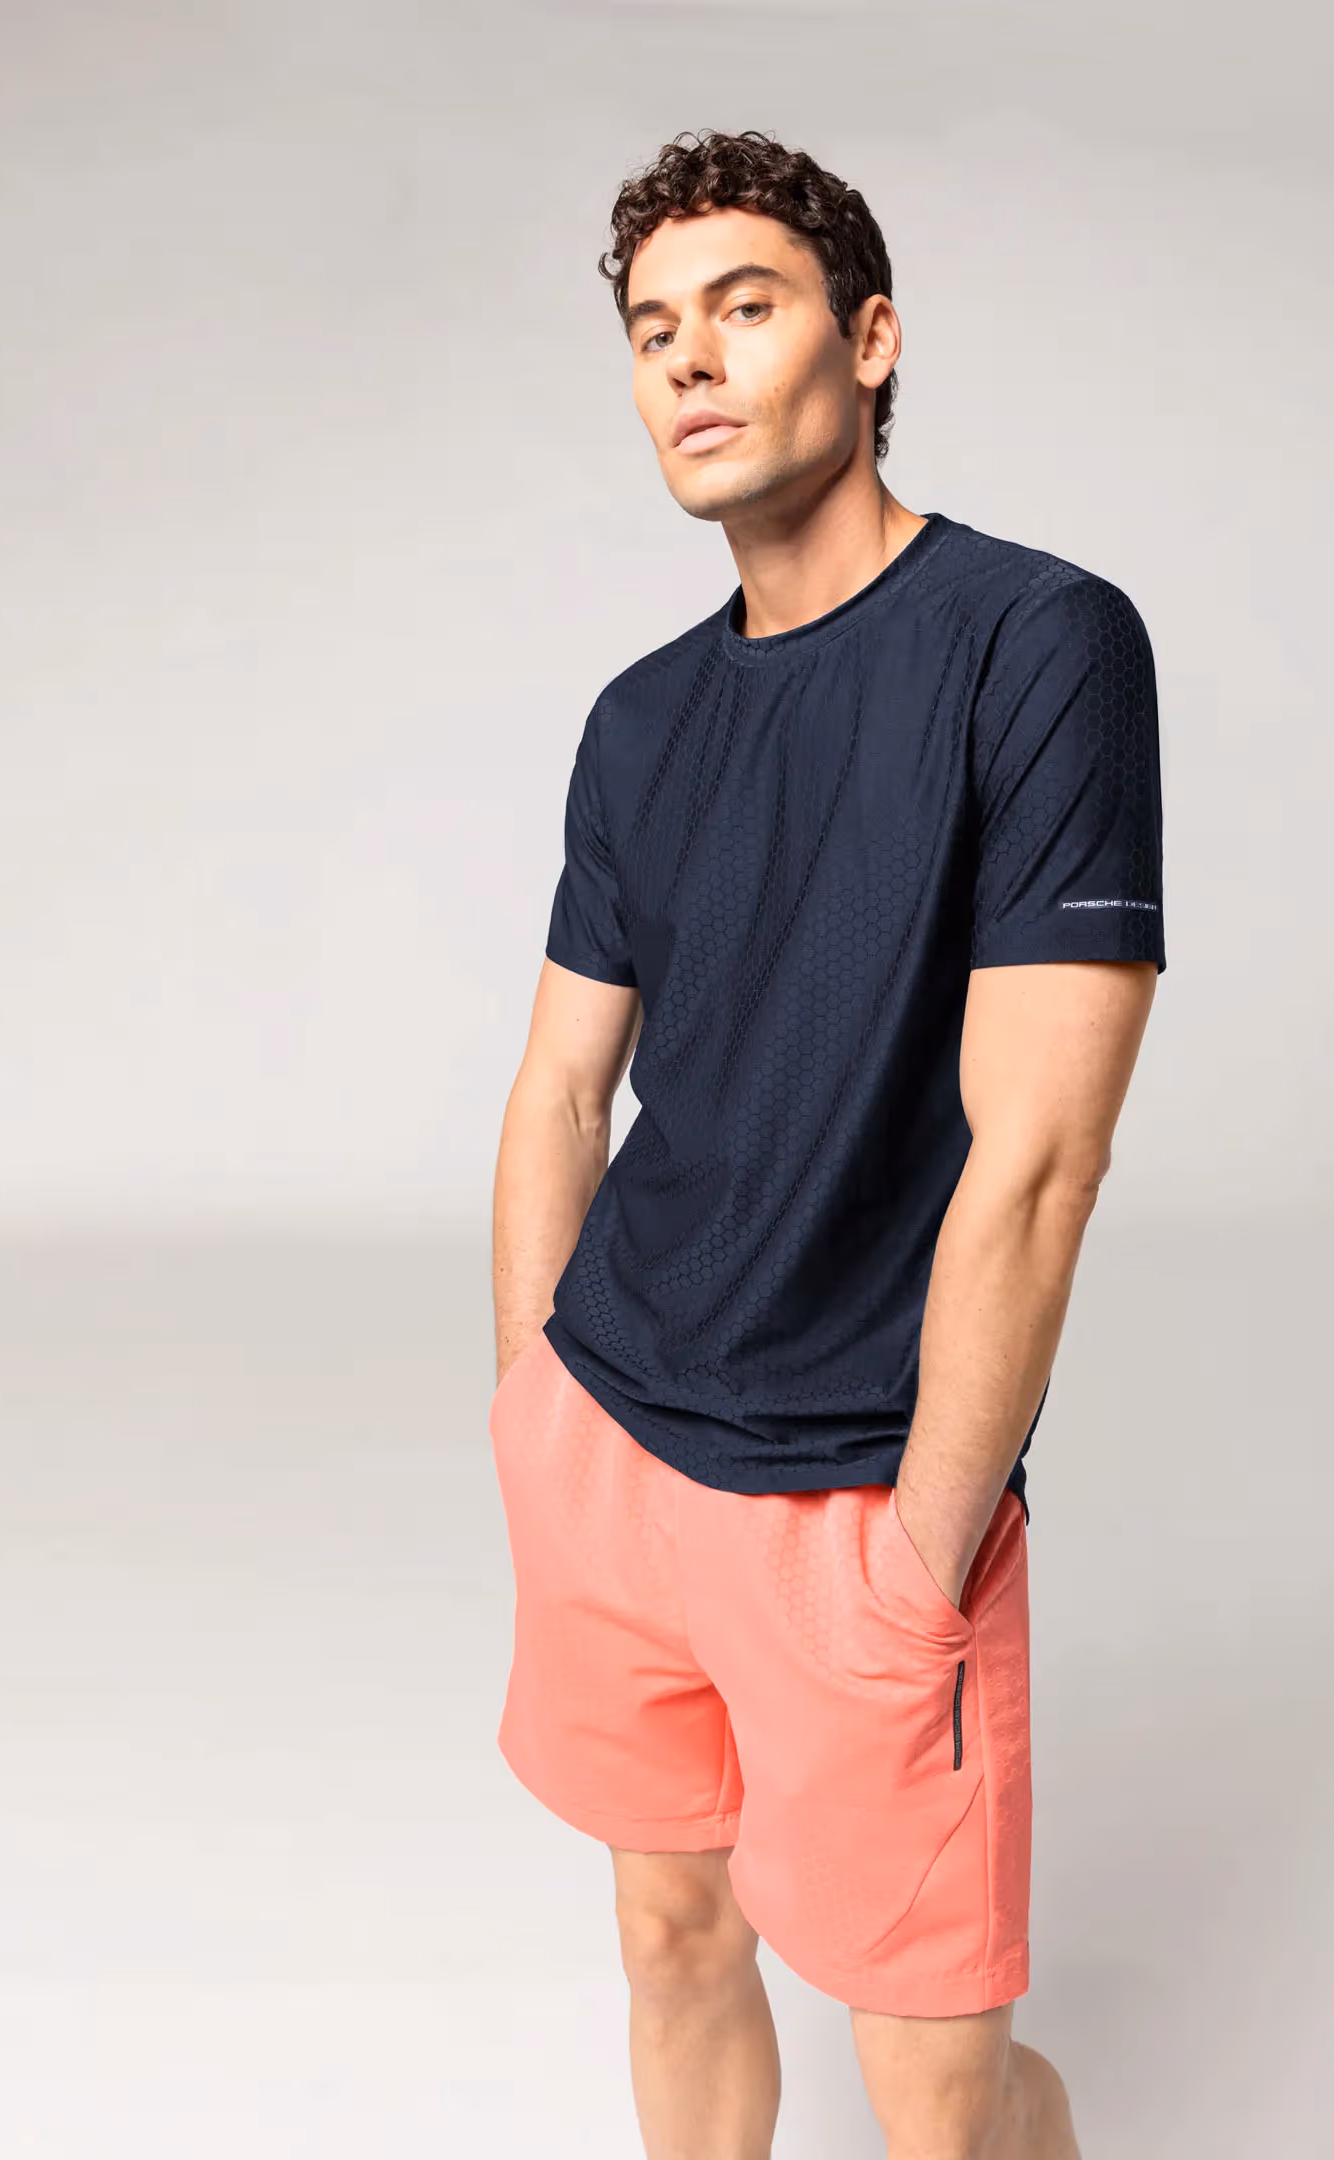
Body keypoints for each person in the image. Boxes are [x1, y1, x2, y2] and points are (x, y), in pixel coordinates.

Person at [487, 126, 1164, 2159]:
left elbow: (1037, 1162)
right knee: (671, 1938)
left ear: (869, 343)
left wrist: (924, 1553)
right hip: (614, 1451)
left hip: (858, 1489)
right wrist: (533, 1416)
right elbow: (561, 1089)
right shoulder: (640, 720)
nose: (690, 360)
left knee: (939, 2087)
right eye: (652, 330)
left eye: (746, 306)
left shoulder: (1036, 644)